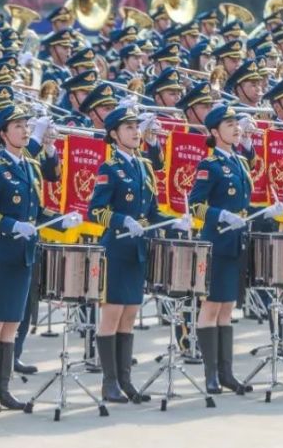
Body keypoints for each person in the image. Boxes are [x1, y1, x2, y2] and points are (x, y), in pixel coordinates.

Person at [0, 104, 80, 412]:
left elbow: (38, 212)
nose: (23, 130)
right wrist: (10, 225)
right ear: (4, 133)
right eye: (17, 126)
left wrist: (61, 220)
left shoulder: (31, 167)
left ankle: (4, 388)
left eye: (24, 125)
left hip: (25, 255)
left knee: (12, 323)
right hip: (3, 253)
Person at [88, 106, 188, 403]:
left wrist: (172, 220)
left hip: (138, 249)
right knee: (113, 314)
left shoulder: (144, 166)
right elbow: (96, 211)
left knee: (130, 314)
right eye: (128, 127)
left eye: (136, 126)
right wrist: (121, 221)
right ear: (114, 134)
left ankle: (125, 380)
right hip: (116, 248)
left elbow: (152, 210)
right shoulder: (109, 168)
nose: (134, 132)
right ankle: (109, 383)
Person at [188, 105, 283, 394]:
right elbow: (197, 205)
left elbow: (242, 205)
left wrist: (264, 210)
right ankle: (210, 375)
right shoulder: (209, 165)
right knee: (211, 306)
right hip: (217, 240)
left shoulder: (241, 163)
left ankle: (226, 372)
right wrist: (220, 215)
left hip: (236, 242)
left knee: (227, 307)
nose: (236, 128)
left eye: (235, 123)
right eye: (228, 124)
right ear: (215, 132)